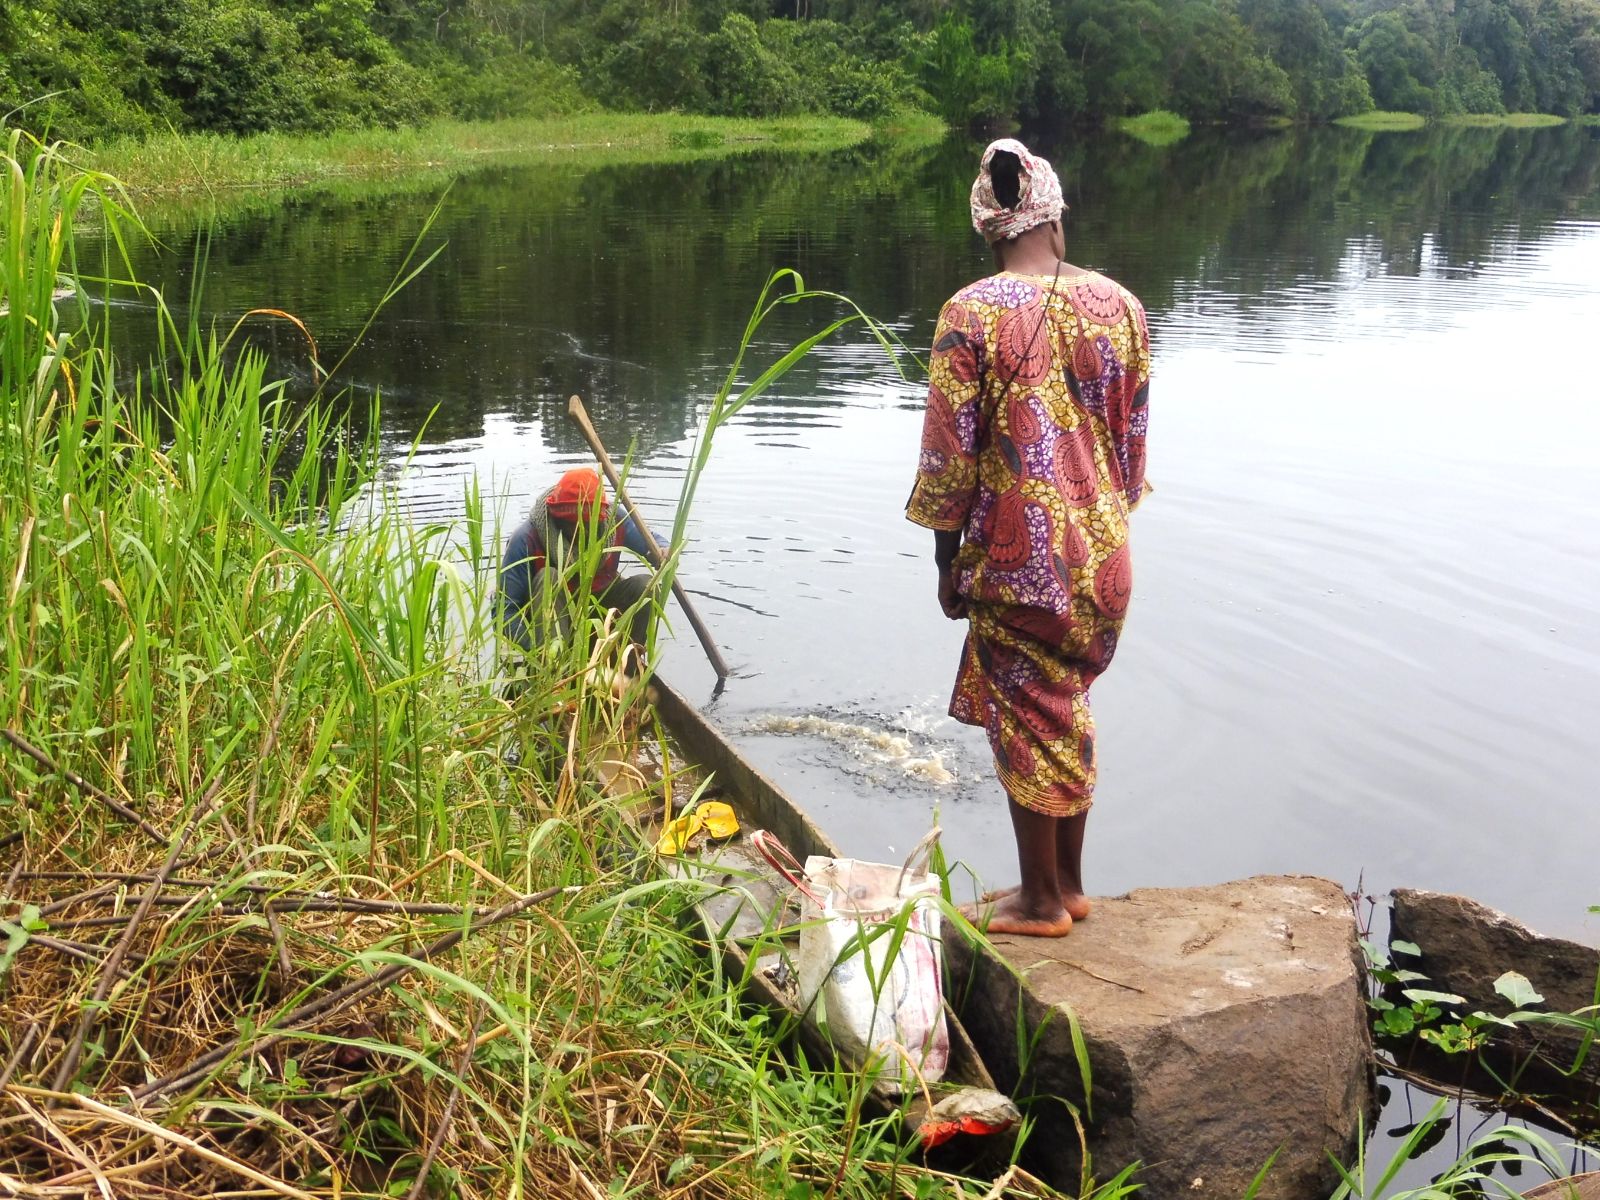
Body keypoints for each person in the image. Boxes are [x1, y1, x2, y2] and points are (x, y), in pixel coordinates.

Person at [905, 139, 1150, 938]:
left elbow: (948, 461)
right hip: (1105, 553)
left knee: (1026, 715)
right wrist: (1099, 525)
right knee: (1063, 705)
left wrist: (948, 563)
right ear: (1055, 213)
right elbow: (1130, 444)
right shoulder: (1123, 306)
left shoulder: (970, 313)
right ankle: (1070, 886)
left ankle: (1041, 902)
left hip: (1022, 558)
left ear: (990, 227)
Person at [499, 467, 655, 652]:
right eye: (571, 523)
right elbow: (505, 613)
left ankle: (624, 663)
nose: (578, 532)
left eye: (586, 524)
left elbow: (652, 543)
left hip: (600, 611)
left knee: (646, 586)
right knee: (550, 577)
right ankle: (554, 665)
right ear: (557, 517)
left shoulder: (615, 520)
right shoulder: (526, 539)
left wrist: (663, 551)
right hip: (550, 623)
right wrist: (533, 649)